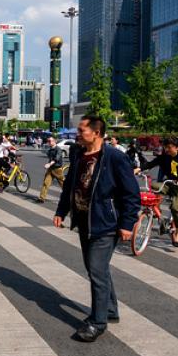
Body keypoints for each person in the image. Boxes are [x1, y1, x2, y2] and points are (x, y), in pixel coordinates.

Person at [53, 115, 139, 342]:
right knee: (96, 270)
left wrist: (127, 224)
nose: (77, 134)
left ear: (96, 133)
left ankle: (97, 322)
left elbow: (131, 194)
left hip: (106, 223)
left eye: (82, 131)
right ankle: (110, 310)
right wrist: (61, 212)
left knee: (97, 270)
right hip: (84, 221)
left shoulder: (114, 158)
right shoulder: (78, 154)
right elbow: (69, 186)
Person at [135, 137, 178, 246]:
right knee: (153, 186)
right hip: (169, 183)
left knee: (175, 207)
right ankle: (157, 211)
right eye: (165, 147)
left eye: (169, 147)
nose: (167, 150)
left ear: (177, 147)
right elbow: (150, 164)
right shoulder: (164, 157)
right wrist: (138, 169)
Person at [37, 136, 66, 203]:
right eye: (48, 141)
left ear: (54, 141)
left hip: (57, 169)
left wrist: (49, 164)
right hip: (50, 169)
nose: (49, 142)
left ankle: (69, 197)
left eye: (50, 141)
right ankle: (42, 198)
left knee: (63, 185)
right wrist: (49, 165)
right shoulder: (50, 150)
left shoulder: (58, 149)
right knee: (46, 183)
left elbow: (56, 159)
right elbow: (50, 158)